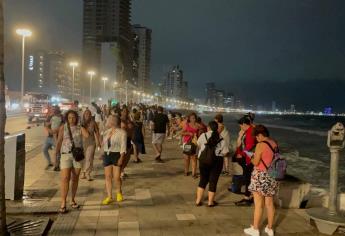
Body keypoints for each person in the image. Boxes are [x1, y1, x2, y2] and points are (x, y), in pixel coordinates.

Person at [244, 125, 278, 236]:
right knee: (270, 203)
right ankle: (270, 228)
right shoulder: (274, 143)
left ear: (260, 135)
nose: (256, 139)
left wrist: (251, 156)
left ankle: (255, 229)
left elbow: (256, 162)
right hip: (272, 175)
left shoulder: (260, 145)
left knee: (258, 204)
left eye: (256, 137)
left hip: (260, 175)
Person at [55, 110, 89, 213]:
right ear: (66, 118)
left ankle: (72, 199)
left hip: (77, 156)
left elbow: (87, 135)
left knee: (75, 179)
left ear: (77, 118)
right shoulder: (63, 127)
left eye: (73, 117)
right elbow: (59, 141)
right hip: (66, 155)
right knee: (65, 178)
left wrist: (82, 126)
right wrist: (56, 155)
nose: (71, 119)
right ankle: (63, 202)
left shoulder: (79, 128)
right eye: (69, 117)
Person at [195, 121, 229, 207]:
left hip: (204, 160)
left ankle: (198, 201)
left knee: (202, 180)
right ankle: (210, 202)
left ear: (208, 127)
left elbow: (198, 144)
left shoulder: (204, 135)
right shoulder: (221, 138)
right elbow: (225, 153)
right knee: (213, 181)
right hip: (217, 161)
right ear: (217, 128)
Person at [101, 115, 127, 205]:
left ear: (113, 121)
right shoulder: (106, 132)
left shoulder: (122, 132)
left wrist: (121, 158)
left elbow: (123, 146)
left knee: (116, 177)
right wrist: (102, 153)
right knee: (108, 177)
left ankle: (119, 192)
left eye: (108, 120)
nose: (107, 121)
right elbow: (103, 143)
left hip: (117, 154)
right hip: (107, 154)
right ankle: (109, 196)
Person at [234, 115, 256, 206]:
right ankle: (249, 196)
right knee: (248, 178)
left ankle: (247, 198)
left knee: (248, 178)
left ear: (244, 124)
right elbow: (241, 144)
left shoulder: (250, 132)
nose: (240, 127)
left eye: (240, 125)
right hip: (247, 158)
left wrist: (241, 154)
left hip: (249, 159)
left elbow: (249, 146)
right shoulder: (247, 131)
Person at [80, 109, 101, 181]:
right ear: (83, 115)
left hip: (91, 142)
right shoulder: (81, 123)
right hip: (82, 143)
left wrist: (99, 142)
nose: (87, 115)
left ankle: (88, 173)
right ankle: (83, 171)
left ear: (90, 115)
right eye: (86, 114)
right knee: (82, 158)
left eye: (88, 114)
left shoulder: (93, 123)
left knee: (89, 158)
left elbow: (97, 132)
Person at [181, 113, 199, 177]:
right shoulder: (187, 125)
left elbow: (203, 131)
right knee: (187, 158)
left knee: (194, 158)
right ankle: (186, 171)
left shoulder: (198, 125)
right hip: (187, 143)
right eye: (192, 118)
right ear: (189, 119)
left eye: (194, 118)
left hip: (195, 143)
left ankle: (194, 173)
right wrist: (188, 133)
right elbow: (182, 133)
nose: (193, 119)